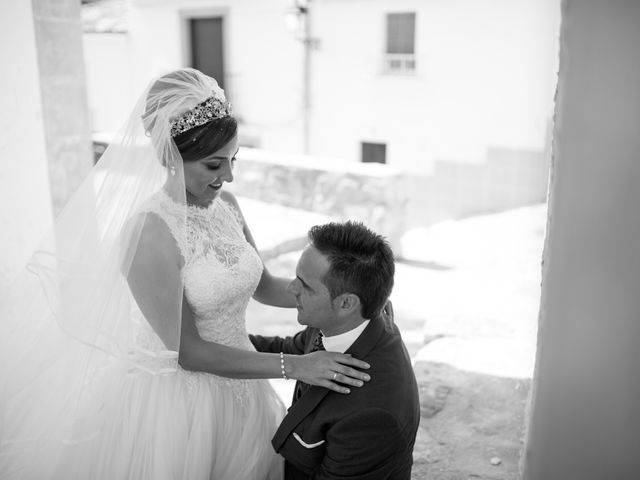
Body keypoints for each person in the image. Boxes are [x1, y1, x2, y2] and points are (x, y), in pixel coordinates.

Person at [0, 68, 370, 480]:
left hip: (244, 385)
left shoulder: (226, 204)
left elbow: (263, 286)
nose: (228, 176)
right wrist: (297, 366)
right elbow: (188, 352)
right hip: (180, 403)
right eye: (214, 164)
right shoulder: (149, 233)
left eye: (232, 160)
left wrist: (349, 290)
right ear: (170, 156)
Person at [250, 221, 421, 479]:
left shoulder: (370, 414)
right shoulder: (341, 322)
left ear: (346, 303)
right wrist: (216, 343)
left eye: (304, 285)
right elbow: (288, 349)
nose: (290, 289)